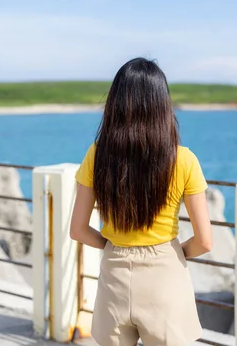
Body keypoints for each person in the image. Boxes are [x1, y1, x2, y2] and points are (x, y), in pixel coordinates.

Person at [70, 57, 213, 346]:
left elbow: (78, 230)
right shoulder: (184, 160)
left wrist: (114, 245)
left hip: (115, 275)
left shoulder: (97, 155)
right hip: (165, 275)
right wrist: (174, 252)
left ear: (115, 103)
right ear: (163, 105)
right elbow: (205, 241)